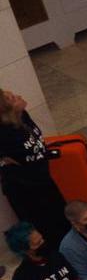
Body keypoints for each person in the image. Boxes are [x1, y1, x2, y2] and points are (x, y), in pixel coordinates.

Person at [0, 90, 68, 244]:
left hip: (43, 178)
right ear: (5, 110)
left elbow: (35, 139)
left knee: (63, 218)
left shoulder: (22, 115)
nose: (19, 96)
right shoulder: (3, 133)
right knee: (47, 231)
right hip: (25, 189)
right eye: (12, 98)